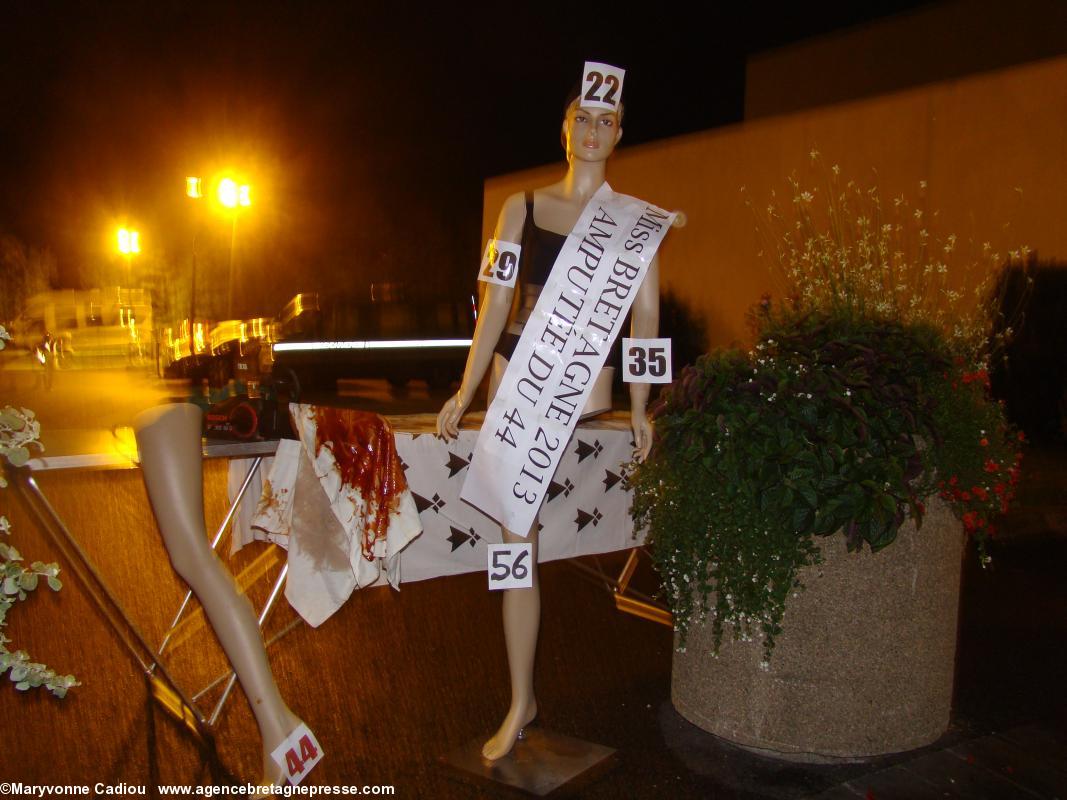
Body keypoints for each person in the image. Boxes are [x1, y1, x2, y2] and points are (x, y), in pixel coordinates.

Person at [436, 84, 660, 761]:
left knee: (521, 544)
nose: (592, 130)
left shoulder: (634, 222)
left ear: (619, 133)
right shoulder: (519, 207)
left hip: (581, 395)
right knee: (512, 549)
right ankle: (519, 698)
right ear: (564, 127)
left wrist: (644, 404)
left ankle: (522, 699)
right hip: (514, 390)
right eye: (581, 117)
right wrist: (465, 389)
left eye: (606, 121)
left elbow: (647, 320)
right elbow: (494, 306)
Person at [134, 403, 309, 786]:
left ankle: (277, 725)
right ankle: (278, 725)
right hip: (153, 396)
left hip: (157, 396)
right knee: (192, 556)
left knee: (192, 555)